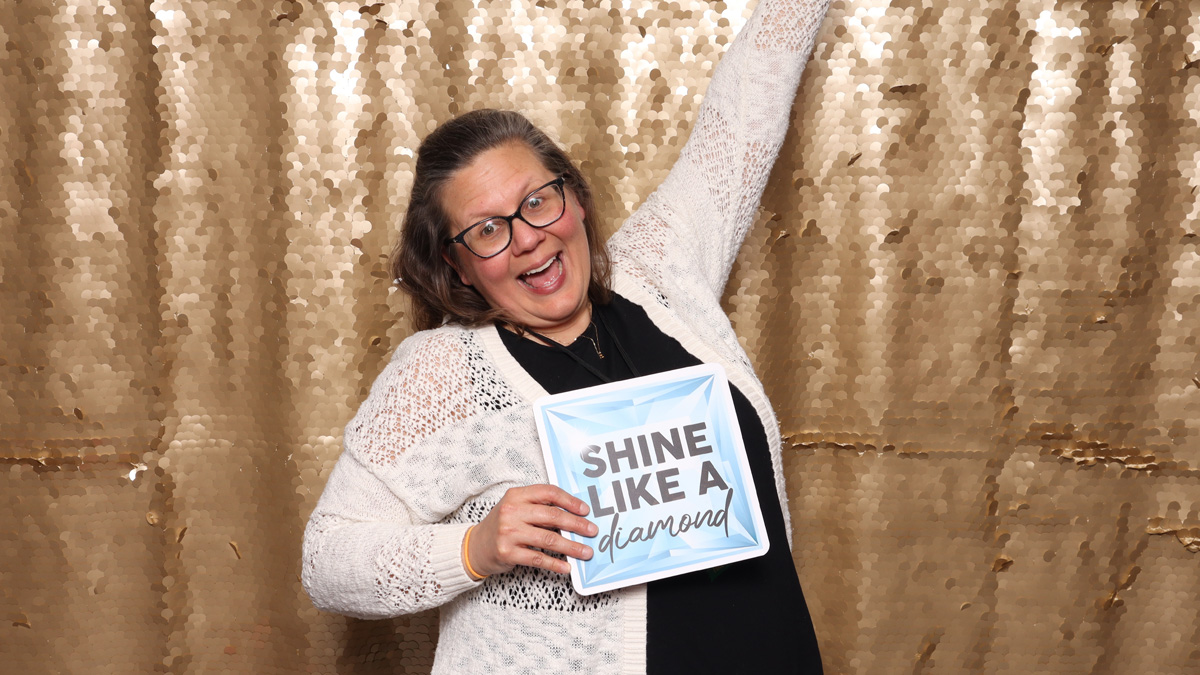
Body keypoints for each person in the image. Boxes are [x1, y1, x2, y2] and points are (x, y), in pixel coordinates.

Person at [302, 0, 831, 672]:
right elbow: (327, 560)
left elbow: (748, 103)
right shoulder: (443, 371)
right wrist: (474, 548)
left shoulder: (659, 271)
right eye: (487, 229)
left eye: (537, 201)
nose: (527, 237)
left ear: (574, 198)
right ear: (457, 264)